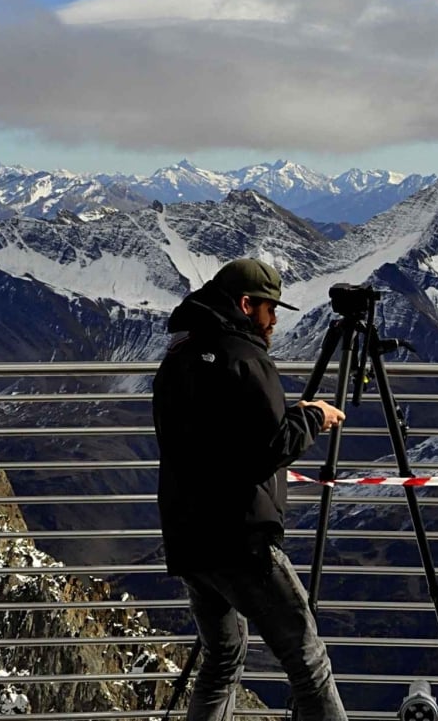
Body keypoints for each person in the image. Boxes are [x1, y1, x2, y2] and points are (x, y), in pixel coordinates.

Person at [151, 257, 349, 721]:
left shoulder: (179, 353)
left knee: (222, 658)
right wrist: (314, 416)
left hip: (188, 537)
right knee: (308, 660)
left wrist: (285, 416)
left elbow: (216, 435)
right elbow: (269, 448)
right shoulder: (244, 356)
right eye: (269, 308)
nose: (274, 319)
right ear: (245, 304)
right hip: (240, 540)